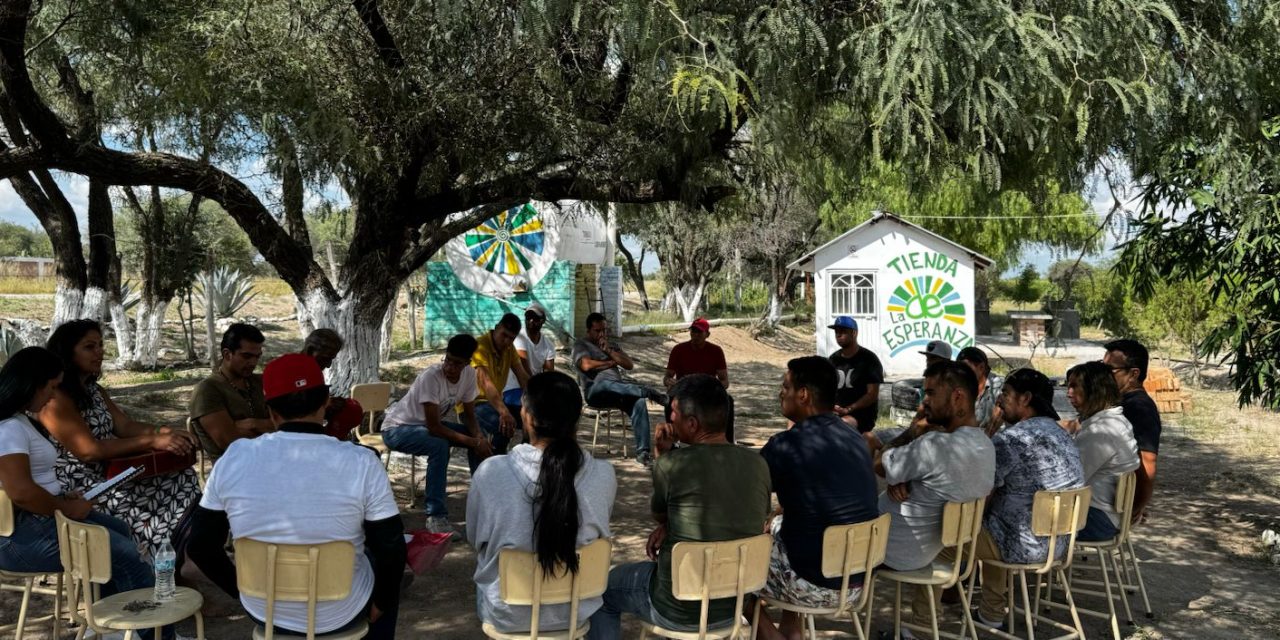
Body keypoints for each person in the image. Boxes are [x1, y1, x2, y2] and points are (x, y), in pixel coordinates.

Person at [187, 354, 405, 639]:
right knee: (380, 561)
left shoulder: (234, 457)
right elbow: (392, 547)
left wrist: (242, 592)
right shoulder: (362, 461)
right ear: (326, 402)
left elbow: (201, 546)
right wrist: (381, 603)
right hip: (342, 611)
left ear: (272, 412)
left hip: (265, 610)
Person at [0, 347, 169, 639]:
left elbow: (30, 486)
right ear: (32, 383)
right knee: (125, 556)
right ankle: (153, 635)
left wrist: (62, 500)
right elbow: (21, 491)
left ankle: (112, 627)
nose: (52, 397)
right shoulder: (10, 428)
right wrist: (65, 509)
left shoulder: (18, 421)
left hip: (41, 518)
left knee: (118, 531)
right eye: (51, 387)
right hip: (24, 535)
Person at [587, 375, 769, 638]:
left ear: (692, 424)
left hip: (677, 607)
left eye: (673, 413)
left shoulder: (673, 464)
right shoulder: (758, 464)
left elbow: (660, 512)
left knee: (601, 590)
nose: (669, 419)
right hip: (733, 604)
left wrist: (662, 455)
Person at [468, 371, 616, 634]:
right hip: (575, 612)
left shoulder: (491, 473)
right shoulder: (604, 474)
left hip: (508, 614)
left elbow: (476, 539)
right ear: (576, 421)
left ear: (527, 418)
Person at [40, 319, 201, 553]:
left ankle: (178, 556)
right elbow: (89, 451)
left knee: (181, 475)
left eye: (100, 345)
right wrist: (152, 440)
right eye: (89, 347)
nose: (99, 352)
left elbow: (124, 425)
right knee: (162, 487)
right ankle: (155, 559)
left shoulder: (93, 390)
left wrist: (162, 431)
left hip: (111, 473)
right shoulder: (55, 398)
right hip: (82, 486)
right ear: (67, 352)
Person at [754, 357, 881, 640]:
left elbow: (748, 493)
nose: (780, 392)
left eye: (785, 386)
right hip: (857, 581)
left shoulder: (785, 445)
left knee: (736, 569)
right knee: (788, 529)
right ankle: (793, 629)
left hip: (815, 585)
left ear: (803, 394)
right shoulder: (854, 437)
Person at [872, 361, 996, 628]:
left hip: (886, 550)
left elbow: (879, 463)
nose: (923, 401)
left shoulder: (934, 445)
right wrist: (903, 477)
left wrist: (915, 428)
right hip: (933, 550)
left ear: (957, 397)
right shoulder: (986, 445)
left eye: (930, 393)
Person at [974, 368, 1084, 629]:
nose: (999, 399)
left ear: (1025, 398)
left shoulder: (1011, 440)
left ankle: (919, 626)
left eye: (1005, 393)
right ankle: (990, 612)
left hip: (1020, 544)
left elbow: (981, 495)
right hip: (1058, 544)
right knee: (995, 522)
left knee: (943, 537)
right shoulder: (1062, 435)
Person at [381, 334, 490, 537]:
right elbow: (434, 427)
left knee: (479, 440)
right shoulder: (431, 376)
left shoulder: (468, 376)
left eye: (457, 363)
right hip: (397, 429)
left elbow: (469, 414)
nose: (449, 367)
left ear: (467, 363)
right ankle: (436, 517)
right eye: (447, 360)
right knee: (439, 445)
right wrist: (473, 441)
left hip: (424, 428)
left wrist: (478, 438)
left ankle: (483, 503)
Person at [572, 313, 665, 467]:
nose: (601, 334)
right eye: (597, 331)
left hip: (620, 391)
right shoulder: (581, 345)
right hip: (595, 391)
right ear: (588, 331)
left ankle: (643, 453)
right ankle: (647, 391)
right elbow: (586, 365)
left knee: (639, 403)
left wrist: (609, 351)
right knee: (607, 384)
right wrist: (610, 363)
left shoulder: (612, 346)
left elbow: (628, 364)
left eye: (604, 330)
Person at [1065, 362, 1140, 542]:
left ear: (1095, 390)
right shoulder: (1117, 422)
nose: (1069, 393)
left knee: (1016, 516)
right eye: (1068, 387)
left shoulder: (1100, 433)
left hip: (1097, 520)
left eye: (1075, 386)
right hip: (1108, 516)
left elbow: (1068, 480)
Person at [188, 323, 273, 462]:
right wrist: (271, 428)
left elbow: (289, 425)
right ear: (227, 354)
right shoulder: (208, 390)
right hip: (234, 471)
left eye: (257, 357)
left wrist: (254, 424)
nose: (253, 362)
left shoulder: (260, 382)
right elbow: (232, 444)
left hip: (269, 462)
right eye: (246, 356)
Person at [1102, 339, 1161, 524]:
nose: (1103, 377)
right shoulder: (1122, 401)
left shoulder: (1139, 408)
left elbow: (1148, 461)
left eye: (1110, 371)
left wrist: (1136, 506)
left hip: (1112, 507)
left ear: (1133, 374)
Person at [663, 317, 734, 441]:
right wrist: (669, 381)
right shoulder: (678, 350)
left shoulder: (716, 351)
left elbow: (725, 381)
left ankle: (726, 441)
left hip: (707, 394)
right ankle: (672, 438)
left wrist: (712, 387)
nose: (695, 335)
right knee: (668, 400)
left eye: (699, 332)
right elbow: (667, 377)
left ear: (707, 334)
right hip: (684, 392)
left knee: (728, 401)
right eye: (693, 331)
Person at [473, 314, 531, 456]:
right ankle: (496, 467)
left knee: (536, 420)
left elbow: (522, 376)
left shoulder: (509, 349)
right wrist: (504, 412)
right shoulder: (480, 346)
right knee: (503, 427)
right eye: (504, 335)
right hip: (474, 404)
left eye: (511, 338)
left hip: (496, 402)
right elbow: (486, 383)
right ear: (497, 327)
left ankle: (526, 458)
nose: (506, 341)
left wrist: (536, 402)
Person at [501, 304, 557, 433]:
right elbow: (523, 370)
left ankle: (535, 442)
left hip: (532, 389)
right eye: (528, 317)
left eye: (535, 318)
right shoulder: (519, 338)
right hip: (513, 389)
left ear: (543, 321)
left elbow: (549, 373)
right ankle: (530, 442)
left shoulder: (548, 345)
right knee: (540, 410)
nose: (531, 321)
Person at [301, 328, 363, 440]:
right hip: (297, 427)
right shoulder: (293, 370)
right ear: (310, 351)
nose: (329, 365)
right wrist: (325, 406)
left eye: (331, 359)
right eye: (325, 358)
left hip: (314, 420)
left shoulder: (314, 370)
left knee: (352, 408)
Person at [827, 316, 883, 432]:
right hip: (836, 413)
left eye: (842, 331)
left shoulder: (869, 359)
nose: (838, 335)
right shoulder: (833, 360)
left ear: (854, 333)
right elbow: (825, 389)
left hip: (861, 415)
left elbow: (872, 395)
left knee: (842, 426)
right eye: (836, 332)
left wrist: (848, 409)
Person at [956, 347, 1004, 436]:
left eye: (965, 368)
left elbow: (995, 424)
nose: (961, 373)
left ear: (981, 367)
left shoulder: (1000, 387)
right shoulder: (962, 388)